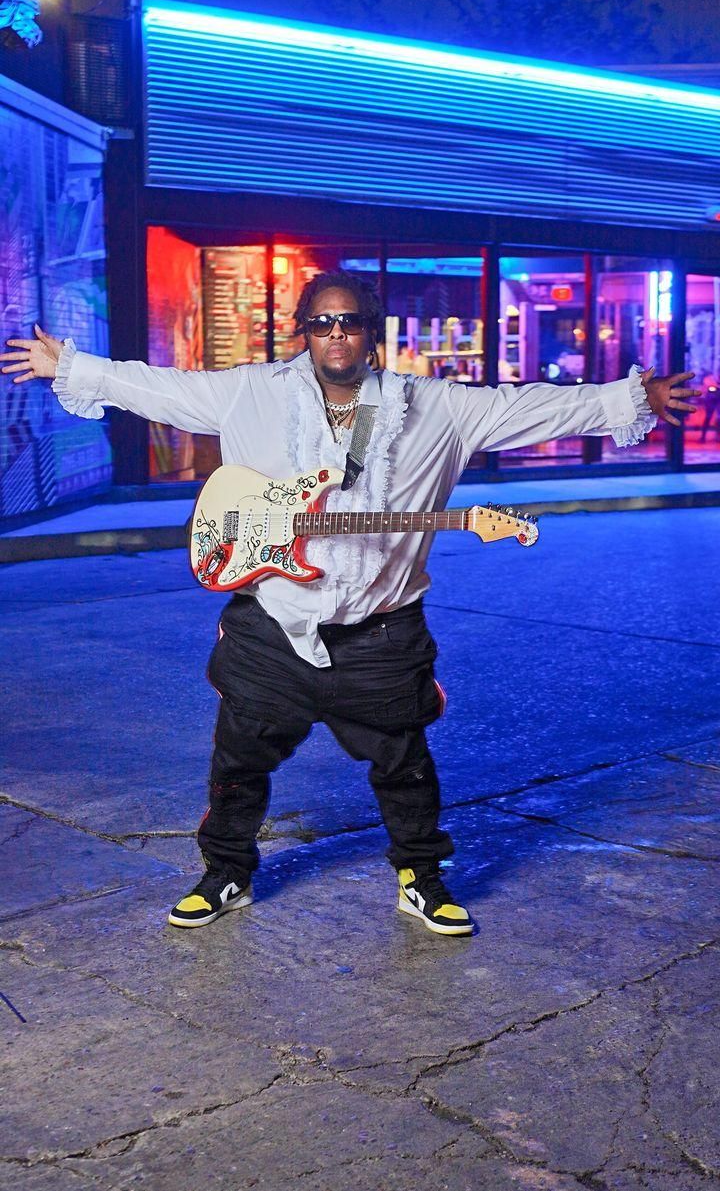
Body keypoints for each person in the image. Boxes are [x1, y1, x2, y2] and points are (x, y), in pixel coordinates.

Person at [1, 271, 699, 938]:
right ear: (303, 331)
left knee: (404, 764)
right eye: (322, 322)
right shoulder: (251, 393)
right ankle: (226, 873)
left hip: (382, 633)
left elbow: (534, 406)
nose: (336, 333)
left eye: (351, 322)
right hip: (271, 625)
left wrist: (628, 398)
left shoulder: (437, 407)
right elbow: (160, 388)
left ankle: (421, 877)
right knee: (238, 762)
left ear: (372, 331)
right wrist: (75, 366)